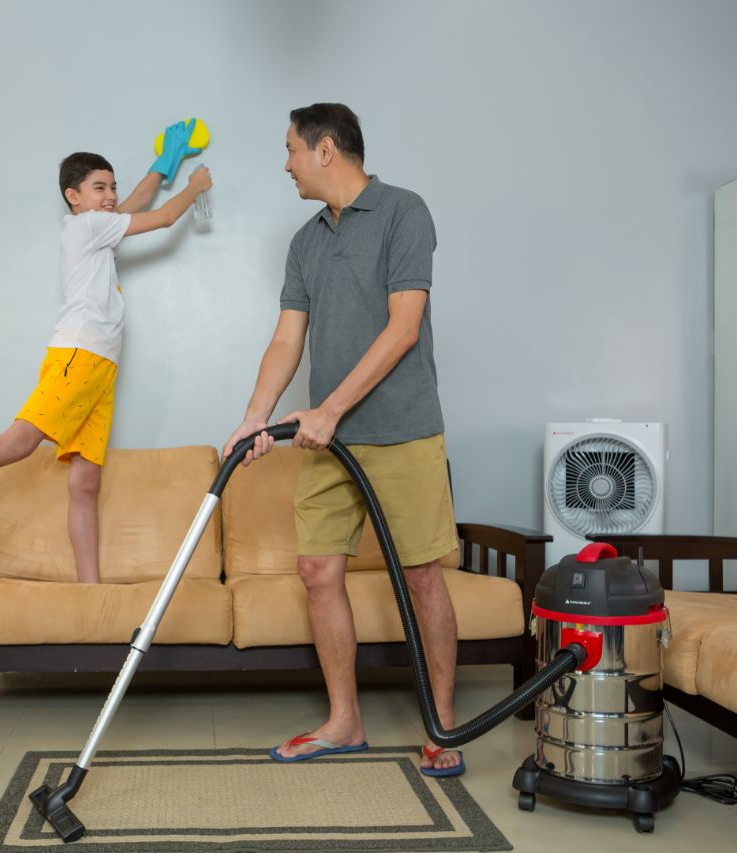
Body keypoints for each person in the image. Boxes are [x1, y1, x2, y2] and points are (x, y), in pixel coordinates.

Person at [222, 103, 464, 776]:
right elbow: (286, 338)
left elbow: (403, 328)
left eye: (292, 149)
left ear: (327, 149)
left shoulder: (403, 212)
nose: (286, 163)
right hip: (326, 441)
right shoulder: (306, 242)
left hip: (404, 430)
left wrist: (327, 407)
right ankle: (344, 720)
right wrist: (255, 413)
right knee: (317, 570)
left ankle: (442, 725)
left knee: (421, 577)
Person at [0, 122, 212, 585]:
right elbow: (163, 218)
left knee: (85, 483)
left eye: (112, 186)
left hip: (101, 367)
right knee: (18, 443)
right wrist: (193, 187)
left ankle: (89, 595)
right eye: (99, 187)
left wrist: (165, 163)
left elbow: (132, 206)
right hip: (78, 355)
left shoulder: (98, 228)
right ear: (74, 197)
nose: (111, 194)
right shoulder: (87, 226)